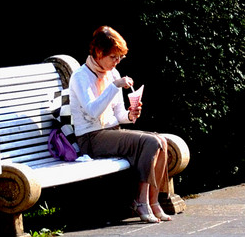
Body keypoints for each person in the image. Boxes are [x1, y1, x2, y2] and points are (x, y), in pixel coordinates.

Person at [69, 26, 174, 223]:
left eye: (120, 58)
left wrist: (131, 114)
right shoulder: (80, 77)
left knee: (161, 141)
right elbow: (93, 111)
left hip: (111, 132)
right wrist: (114, 86)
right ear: (99, 53)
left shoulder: (112, 74)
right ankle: (140, 202)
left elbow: (118, 115)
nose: (117, 62)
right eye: (113, 57)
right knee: (150, 143)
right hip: (91, 138)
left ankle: (153, 202)